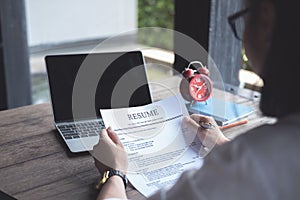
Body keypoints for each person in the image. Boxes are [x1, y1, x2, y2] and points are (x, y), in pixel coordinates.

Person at [92, 0, 300, 199]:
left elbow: (250, 170)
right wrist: (220, 143)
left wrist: (114, 173)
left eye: (243, 17)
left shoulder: (252, 161)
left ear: (265, 20)